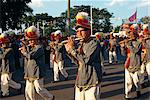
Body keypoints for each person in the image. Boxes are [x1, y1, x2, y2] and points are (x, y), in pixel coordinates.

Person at [64, 12, 102, 100]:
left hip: (92, 79)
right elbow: (78, 62)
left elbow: (86, 60)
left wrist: (72, 50)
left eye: (82, 31)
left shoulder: (94, 43)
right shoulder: (80, 44)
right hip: (81, 79)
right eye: (77, 31)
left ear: (88, 31)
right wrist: (68, 52)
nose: (79, 34)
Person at [20, 26, 54, 100]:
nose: (30, 42)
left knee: (39, 89)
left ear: (36, 39)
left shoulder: (39, 48)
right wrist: (24, 46)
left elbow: (31, 56)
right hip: (29, 72)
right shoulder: (29, 47)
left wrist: (24, 51)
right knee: (28, 91)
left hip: (37, 72)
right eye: (29, 40)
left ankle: (50, 97)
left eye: (32, 40)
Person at [120, 25, 142, 99]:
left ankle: (138, 90)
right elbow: (123, 54)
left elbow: (135, 51)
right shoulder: (128, 43)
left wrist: (128, 44)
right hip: (128, 64)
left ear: (135, 35)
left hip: (136, 64)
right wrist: (122, 47)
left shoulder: (138, 43)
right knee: (128, 82)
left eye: (132, 34)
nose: (130, 36)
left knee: (136, 81)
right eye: (129, 34)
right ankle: (127, 95)